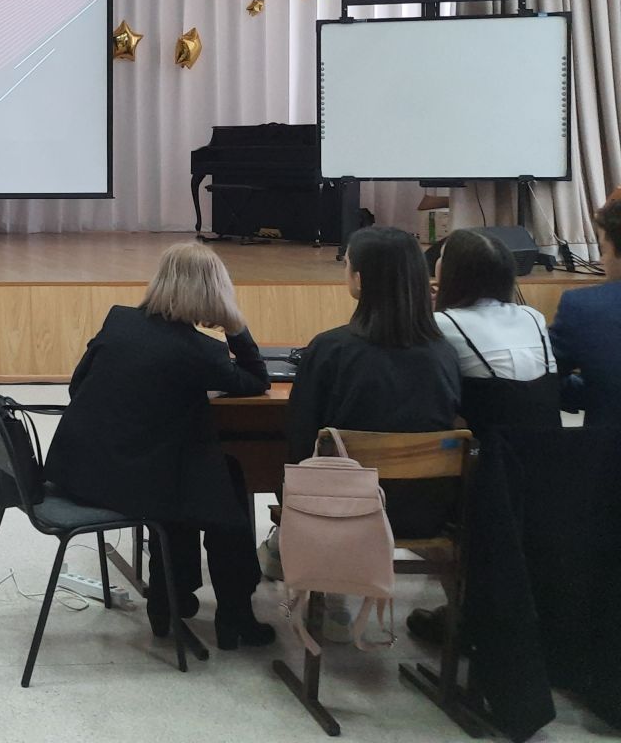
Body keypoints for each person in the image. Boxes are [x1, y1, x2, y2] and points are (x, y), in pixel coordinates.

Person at [43, 243, 275, 649]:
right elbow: (257, 379)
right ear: (214, 293)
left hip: (77, 470)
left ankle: (169, 599)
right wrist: (234, 324)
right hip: (131, 484)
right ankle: (234, 613)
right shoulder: (201, 351)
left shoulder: (119, 321)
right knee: (226, 489)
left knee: (209, 475)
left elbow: (77, 386)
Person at [287, 226, 461, 538]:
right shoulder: (445, 352)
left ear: (359, 278)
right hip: (429, 512)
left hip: (342, 510)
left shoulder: (329, 349)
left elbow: (300, 438)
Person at [433, 227, 560, 431]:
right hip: (550, 439)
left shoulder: (442, 322)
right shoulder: (532, 316)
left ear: (452, 273)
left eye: (441, 256)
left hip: (485, 444)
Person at [551, 198, 621, 427]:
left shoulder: (583, 307)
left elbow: (547, 377)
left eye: (603, 249)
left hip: (610, 446)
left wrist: (598, 388)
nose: (601, 260)